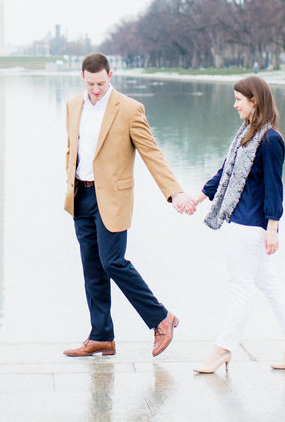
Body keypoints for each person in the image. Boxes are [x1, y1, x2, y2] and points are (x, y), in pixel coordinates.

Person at [62, 53, 196, 358]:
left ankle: (161, 318)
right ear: (82, 76)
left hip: (113, 198)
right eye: (91, 83)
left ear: (112, 75)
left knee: (113, 262)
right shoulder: (72, 105)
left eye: (102, 82)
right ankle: (101, 336)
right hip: (81, 196)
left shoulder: (130, 109)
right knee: (92, 268)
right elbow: (73, 149)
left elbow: (152, 153)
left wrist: (174, 193)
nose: (96, 89)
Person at [189, 75, 285, 373]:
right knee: (267, 282)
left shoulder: (269, 140)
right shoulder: (246, 134)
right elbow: (225, 173)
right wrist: (197, 198)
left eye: (238, 100)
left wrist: (272, 228)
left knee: (240, 289)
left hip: (251, 227)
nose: (234, 105)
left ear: (254, 101)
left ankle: (222, 350)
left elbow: (274, 187)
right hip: (242, 222)